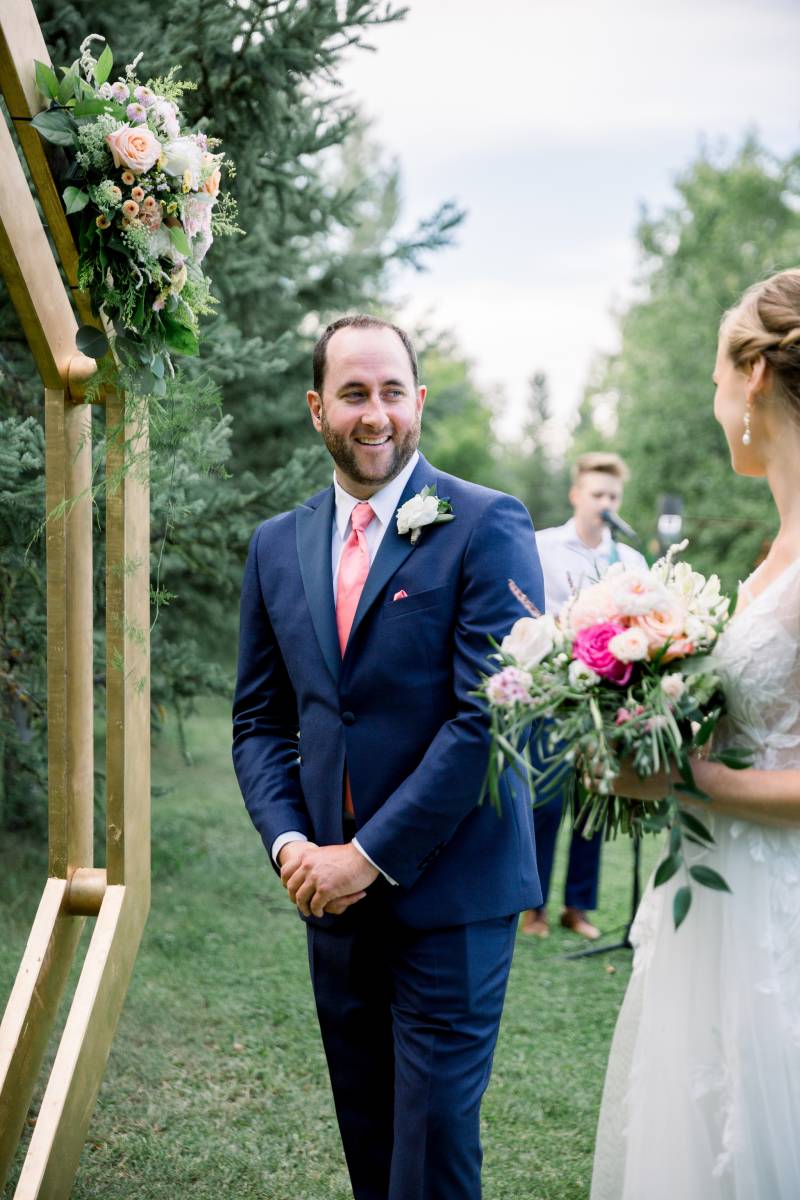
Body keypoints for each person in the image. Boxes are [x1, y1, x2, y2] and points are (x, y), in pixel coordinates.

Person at [232, 314, 545, 1200]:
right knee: (370, 1144)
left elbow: (487, 719)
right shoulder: (275, 547)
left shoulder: (487, 523)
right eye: (355, 393)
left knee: (431, 1153)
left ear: (419, 401)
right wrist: (296, 849)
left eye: (393, 392)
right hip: (328, 902)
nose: (376, 415)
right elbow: (260, 722)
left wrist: (364, 859)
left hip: (453, 894)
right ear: (316, 407)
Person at [591, 268, 800, 1199]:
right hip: (709, 900)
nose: (715, 401)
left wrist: (697, 783)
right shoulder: (771, 555)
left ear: (753, 375)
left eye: (717, 372)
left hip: (773, 916)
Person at [521, 453, 647, 939]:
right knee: (546, 801)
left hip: (604, 696)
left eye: (613, 496)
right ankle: (533, 908)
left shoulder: (628, 560)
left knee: (593, 800)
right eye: (597, 494)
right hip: (554, 690)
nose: (606, 503)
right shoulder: (544, 546)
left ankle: (579, 907)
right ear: (577, 495)